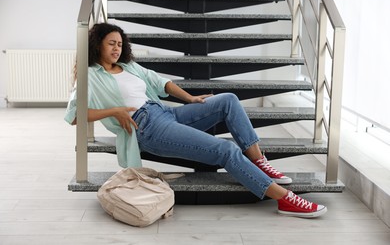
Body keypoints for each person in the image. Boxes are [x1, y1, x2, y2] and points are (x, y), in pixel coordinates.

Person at [65, 23, 327, 218]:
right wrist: (115, 112)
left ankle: (260, 163)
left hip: (164, 111)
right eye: (111, 43)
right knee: (225, 149)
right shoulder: (90, 76)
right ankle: (285, 199)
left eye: (120, 44)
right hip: (146, 127)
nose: (116, 48)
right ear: (97, 44)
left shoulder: (129, 66)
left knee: (228, 100)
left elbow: (160, 82)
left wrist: (189, 99)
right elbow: (76, 116)